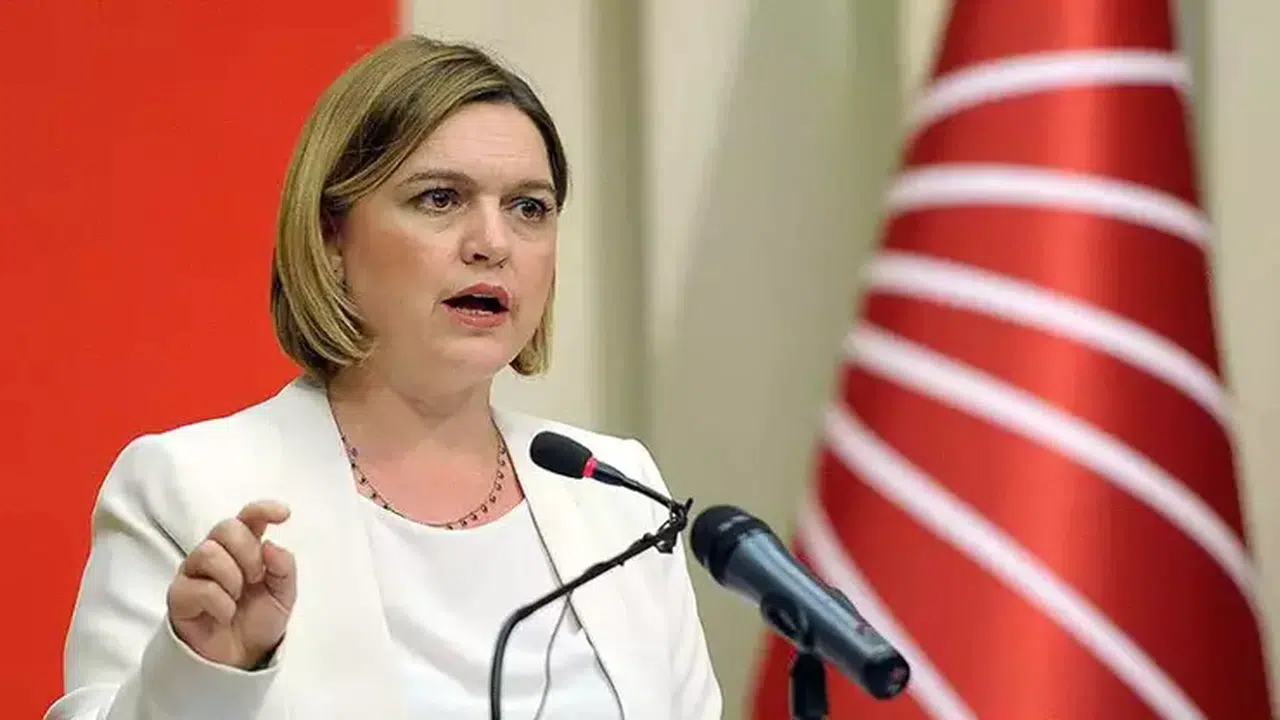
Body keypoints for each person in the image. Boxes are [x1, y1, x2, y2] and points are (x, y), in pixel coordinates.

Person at [46, 34, 721, 720]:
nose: (493, 243)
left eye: (528, 207)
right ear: (331, 237)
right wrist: (201, 676)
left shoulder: (617, 496)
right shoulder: (189, 488)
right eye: (440, 198)